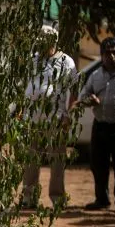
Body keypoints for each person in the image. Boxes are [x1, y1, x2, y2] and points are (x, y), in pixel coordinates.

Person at [21, 25, 78, 209]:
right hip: (32, 119)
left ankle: (57, 198)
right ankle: (28, 198)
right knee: (30, 160)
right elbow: (25, 87)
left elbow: (74, 90)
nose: (40, 45)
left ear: (53, 41)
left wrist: (69, 114)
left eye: (44, 41)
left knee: (57, 161)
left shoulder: (66, 61)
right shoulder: (33, 60)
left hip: (56, 118)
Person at [75, 37, 115, 214]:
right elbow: (81, 98)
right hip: (100, 126)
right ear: (101, 56)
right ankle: (101, 199)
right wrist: (89, 100)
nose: (112, 56)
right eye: (107, 53)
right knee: (99, 166)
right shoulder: (95, 76)